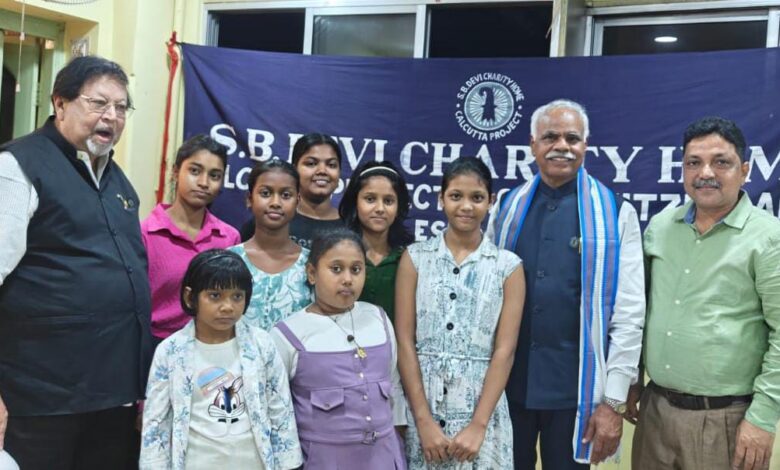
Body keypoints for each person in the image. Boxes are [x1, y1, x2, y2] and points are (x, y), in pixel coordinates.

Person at [0, 56, 152, 468]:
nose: (112, 116)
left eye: (121, 107)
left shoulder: (118, 181)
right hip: (40, 398)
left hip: (111, 396)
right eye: (98, 103)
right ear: (60, 104)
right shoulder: (18, 167)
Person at [487, 99, 645, 467]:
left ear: (585, 145)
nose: (562, 146)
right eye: (550, 137)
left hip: (576, 395)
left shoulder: (616, 213)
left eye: (572, 138)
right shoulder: (505, 208)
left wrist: (613, 402)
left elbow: (629, 314)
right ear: (533, 145)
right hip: (507, 388)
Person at [631, 117, 780, 470]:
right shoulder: (660, 228)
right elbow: (638, 312)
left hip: (727, 422)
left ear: (745, 171)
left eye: (721, 162)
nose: (705, 173)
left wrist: (762, 418)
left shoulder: (769, 238)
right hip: (654, 412)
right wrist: (633, 378)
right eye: (694, 162)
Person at [396, 157, 526, 468]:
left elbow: (505, 351)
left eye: (477, 197)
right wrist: (423, 421)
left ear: (490, 202)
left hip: (482, 410)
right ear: (441, 199)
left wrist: (478, 425)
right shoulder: (415, 258)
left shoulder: (507, 267)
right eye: (456, 196)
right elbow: (404, 341)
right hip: (422, 406)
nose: (466, 206)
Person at [140, 249, 302, 469]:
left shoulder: (262, 344)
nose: (228, 306)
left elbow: (280, 409)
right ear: (190, 297)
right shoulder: (170, 351)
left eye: (237, 296)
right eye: (215, 296)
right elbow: (156, 423)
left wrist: (288, 464)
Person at [271, 228, 407, 469]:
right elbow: (277, 412)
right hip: (324, 460)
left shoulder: (378, 319)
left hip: (384, 457)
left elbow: (394, 386)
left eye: (356, 269)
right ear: (312, 273)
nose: (347, 279)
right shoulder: (287, 334)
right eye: (336, 269)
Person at [142, 134, 240, 344]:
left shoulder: (228, 237)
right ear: (175, 172)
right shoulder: (146, 233)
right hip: (154, 344)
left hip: (211, 346)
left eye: (214, 175)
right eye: (195, 171)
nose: (204, 183)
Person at [230, 160, 311, 331]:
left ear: (298, 201)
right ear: (249, 199)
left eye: (286, 195)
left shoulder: (311, 264)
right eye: (265, 193)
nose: (275, 202)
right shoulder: (229, 261)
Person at [338, 161, 413, 320]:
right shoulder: (337, 253)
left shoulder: (408, 258)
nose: (380, 208)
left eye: (388, 201)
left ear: (399, 207)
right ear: (355, 202)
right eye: (370, 199)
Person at [240, 133, 343, 247]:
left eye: (331, 165)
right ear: (295, 169)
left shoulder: (351, 226)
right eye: (311, 163)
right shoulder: (270, 219)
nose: (322, 171)